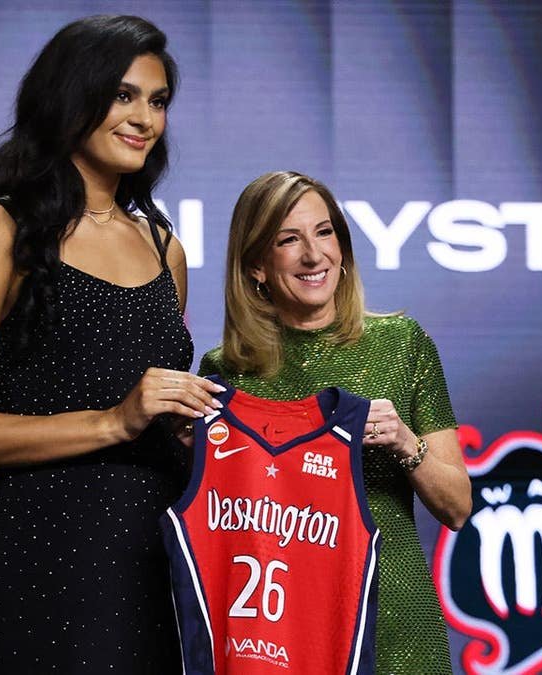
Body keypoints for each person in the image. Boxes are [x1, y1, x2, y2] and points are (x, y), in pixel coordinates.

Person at [0, 15, 223, 673]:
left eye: (158, 100)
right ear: (70, 96)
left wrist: (193, 436)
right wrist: (114, 420)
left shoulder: (165, 250)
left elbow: (156, 422)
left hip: (163, 554)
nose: (144, 117)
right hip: (47, 549)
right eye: (123, 95)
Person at [199, 170, 472, 674]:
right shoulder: (225, 371)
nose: (313, 255)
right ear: (257, 265)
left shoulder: (402, 344)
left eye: (324, 233)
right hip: (279, 628)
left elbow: (457, 508)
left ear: (342, 248)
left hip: (394, 620)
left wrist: (404, 443)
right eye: (288, 240)